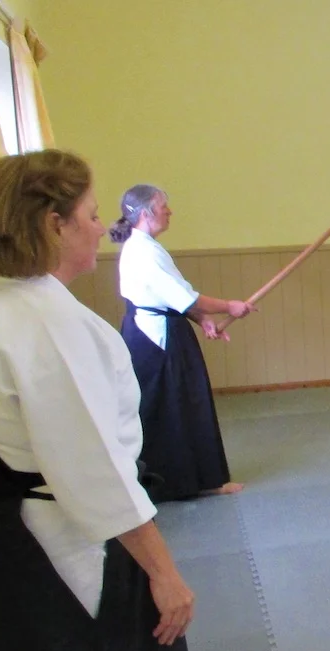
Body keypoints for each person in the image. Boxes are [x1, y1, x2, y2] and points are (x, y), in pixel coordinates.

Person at [0, 150, 204, 651]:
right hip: (67, 537)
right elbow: (90, 468)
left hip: (16, 532)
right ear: (51, 224)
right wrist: (163, 571)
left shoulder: (0, 302)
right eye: (88, 214)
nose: (98, 227)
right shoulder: (42, 323)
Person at [111, 185, 254, 502]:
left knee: (178, 404)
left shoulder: (145, 247)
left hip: (158, 328)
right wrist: (229, 306)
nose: (170, 210)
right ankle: (178, 481)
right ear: (146, 214)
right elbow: (185, 296)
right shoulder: (143, 251)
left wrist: (201, 318)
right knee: (175, 405)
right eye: (164, 206)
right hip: (157, 336)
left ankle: (192, 478)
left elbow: (173, 297)